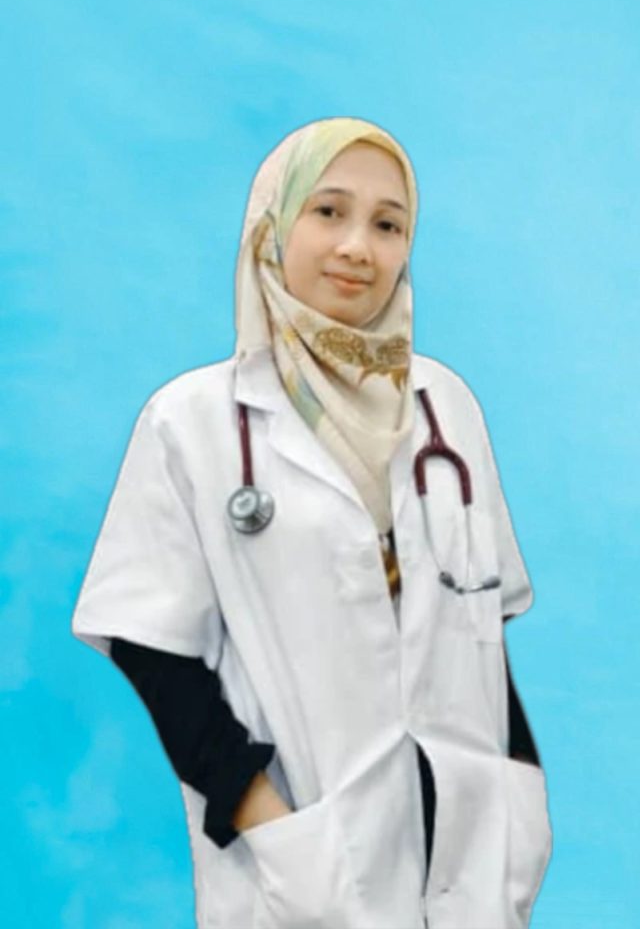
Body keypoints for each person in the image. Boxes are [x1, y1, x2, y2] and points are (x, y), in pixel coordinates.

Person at [71, 116, 552, 929]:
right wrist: (273, 828)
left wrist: (521, 794)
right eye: (328, 211)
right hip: (309, 860)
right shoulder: (193, 423)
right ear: (272, 224)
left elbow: (480, 629)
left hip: (468, 854)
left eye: (388, 223)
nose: (358, 247)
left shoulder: (446, 410)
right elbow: (157, 657)